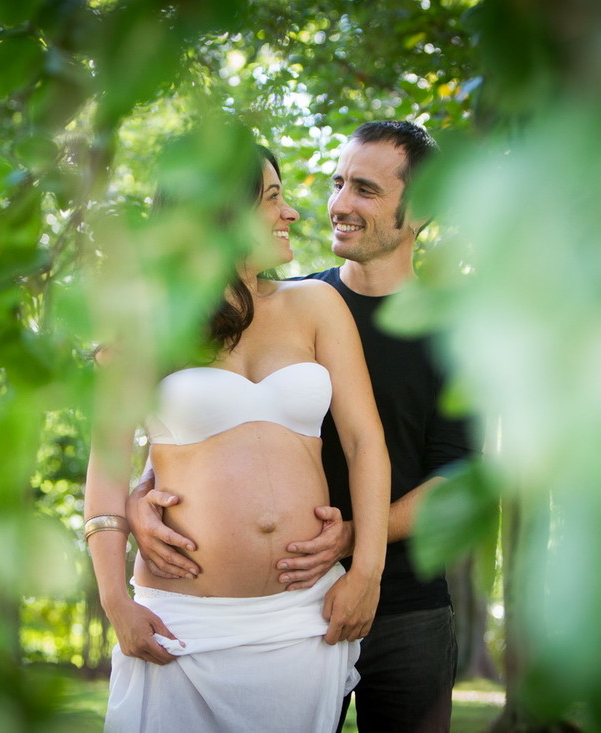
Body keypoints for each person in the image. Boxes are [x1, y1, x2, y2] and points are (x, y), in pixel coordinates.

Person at [127, 120, 476, 733]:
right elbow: (199, 431)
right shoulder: (291, 303)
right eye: (339, 183)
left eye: (364, 190)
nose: (338, 203)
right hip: (291, 605)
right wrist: (137, 502)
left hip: (406, 605)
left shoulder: (460, 335)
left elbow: (464, 480)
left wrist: (356, 551)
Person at [83, 136, 391, 733]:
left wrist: (367, 573)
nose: (291, 212)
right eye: (271, 198)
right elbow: (105, 470)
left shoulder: (317, 305)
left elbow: (364, 443)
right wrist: (115, 600)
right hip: (180, 626)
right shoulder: (146, 322)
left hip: (301, 623)